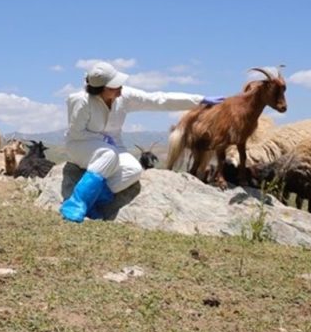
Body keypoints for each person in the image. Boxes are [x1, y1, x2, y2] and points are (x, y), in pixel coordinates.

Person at [60, 61, 223, 222]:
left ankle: (92, 200)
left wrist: (199, 100)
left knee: (133, 170)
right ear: (101, 89)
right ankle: (75, 204)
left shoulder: (124, 96)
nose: (120, 88)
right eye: (114, 86)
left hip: (113, 147)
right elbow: (77, 133)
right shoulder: (81, 100)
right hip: (81, 145)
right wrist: (103, 139)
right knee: (107, 154)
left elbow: (158, 99)